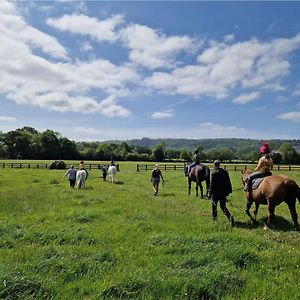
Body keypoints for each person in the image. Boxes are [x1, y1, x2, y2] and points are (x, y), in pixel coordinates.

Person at [208, 160, 235, 226]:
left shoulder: (213, 173)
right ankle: (230, 217)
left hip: (215, 193)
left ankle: (215, 219)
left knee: (214, 206)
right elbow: (228, 182)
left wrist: (209, 193)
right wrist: (229, 190)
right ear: (219, 165)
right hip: (223, 193)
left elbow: (211, 184)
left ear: (214, 165)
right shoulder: (225, 172)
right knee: (223, 207)